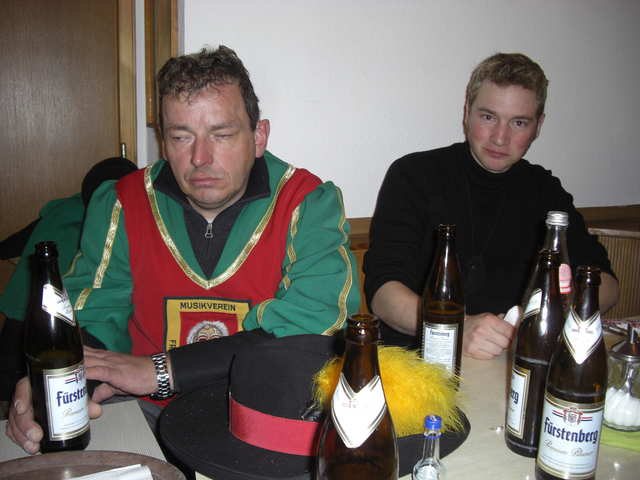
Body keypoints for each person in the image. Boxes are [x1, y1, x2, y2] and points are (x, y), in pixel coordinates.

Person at [7, 45, 360, 454]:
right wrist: (56, 383)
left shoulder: (307, 203)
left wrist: (162, 370)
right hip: (142, 409)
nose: (200, 158)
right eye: (180, 136)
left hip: (261, 412)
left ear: (259, 136)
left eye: (222, 135)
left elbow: (311, 331)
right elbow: (95, 312)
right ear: (163, 141)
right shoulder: (122, 202)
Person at [364, 52, 619, 360]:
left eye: (519, 122)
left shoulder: (545, 190)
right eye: (488, 117)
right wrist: (456, 326)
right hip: (417, 361)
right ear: (467, 113)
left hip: (516, 362)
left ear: (538, 126)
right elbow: (383, 294)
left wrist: (544, 317)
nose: (500, 138)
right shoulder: (414, 175)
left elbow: (606, 284)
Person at [0, 156, 137, 401]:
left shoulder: (60, 207)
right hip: (55, 311)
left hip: (20, 303)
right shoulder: (106, 223)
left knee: (13, 372)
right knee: (40, 382)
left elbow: (17, 241)